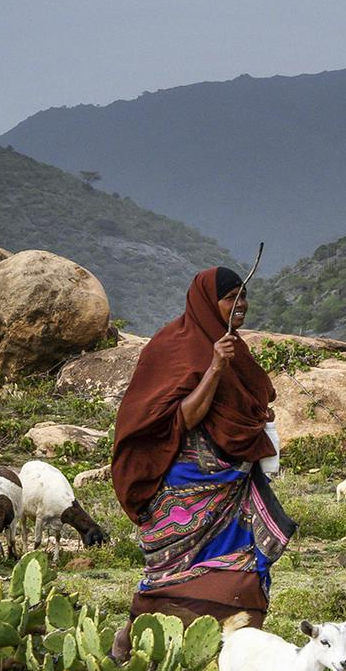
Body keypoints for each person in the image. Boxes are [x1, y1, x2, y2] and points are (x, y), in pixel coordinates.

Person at [109, 266, 294, 649]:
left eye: (243, 295)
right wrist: (214, 368)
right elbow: (182, 418)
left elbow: (248, 404)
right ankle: (132, 642)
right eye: (230, 297)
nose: (240, 305)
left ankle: (233, 651)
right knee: (170, 569)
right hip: (183, 491)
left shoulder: (233, 346)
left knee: (240, 563)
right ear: (209, 302)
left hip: (231, 486)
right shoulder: (173, 346)